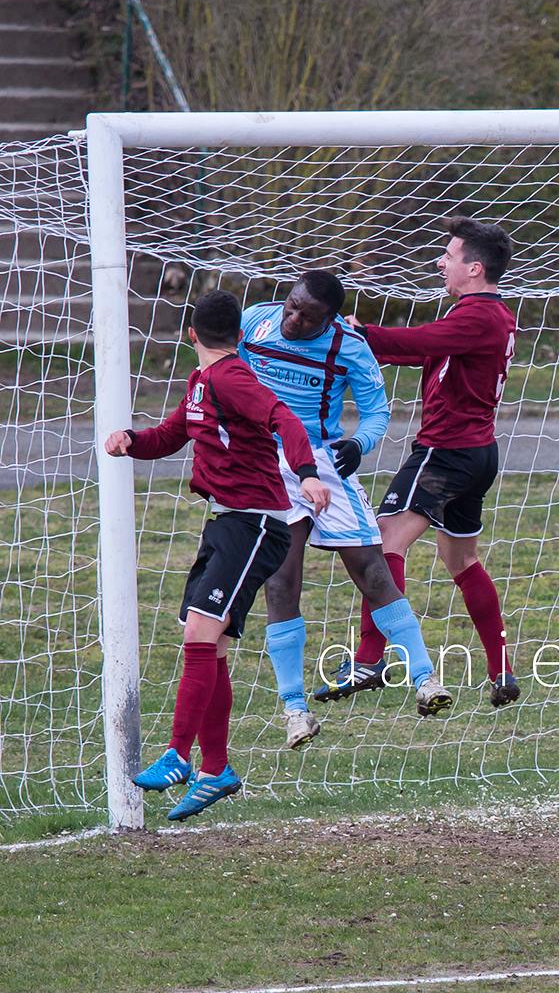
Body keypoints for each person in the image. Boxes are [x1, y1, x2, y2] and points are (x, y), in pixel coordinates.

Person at [107, 289, 331, 821]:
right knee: (214, 648)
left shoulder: (231, 378)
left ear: (191, 333)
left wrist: (307, 474)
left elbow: (284, 418)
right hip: (228, 524)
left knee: (198, 635)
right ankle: (216, 770)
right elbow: (171, 436)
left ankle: (177, 755)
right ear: (240, 333)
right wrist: (132, 441)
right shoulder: (202, 382)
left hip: (254, 524)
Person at [316, 218, 518, 710]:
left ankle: (369, 659)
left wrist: (363, 334)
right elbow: (430, 351)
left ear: (474, 268)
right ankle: (501, 671)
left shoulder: (480, 316)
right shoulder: (485, 317)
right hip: (477, 452)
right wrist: (371, 346)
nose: (440, 263)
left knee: (383, 541)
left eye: (448, 256)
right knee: (461, 561)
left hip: (445, 453)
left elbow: (422, 342)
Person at [241, 270, 437, 743]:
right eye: (291, 306)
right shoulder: (253, 322)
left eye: (307, 316)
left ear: (329, 320)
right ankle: (294, 709)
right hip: (266, 462)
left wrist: (359, 443)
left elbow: (377, 412)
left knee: (372, 569)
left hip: (323, 461)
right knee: (281, 580)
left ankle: (426, 679)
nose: (292, 319)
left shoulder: (349, 346)